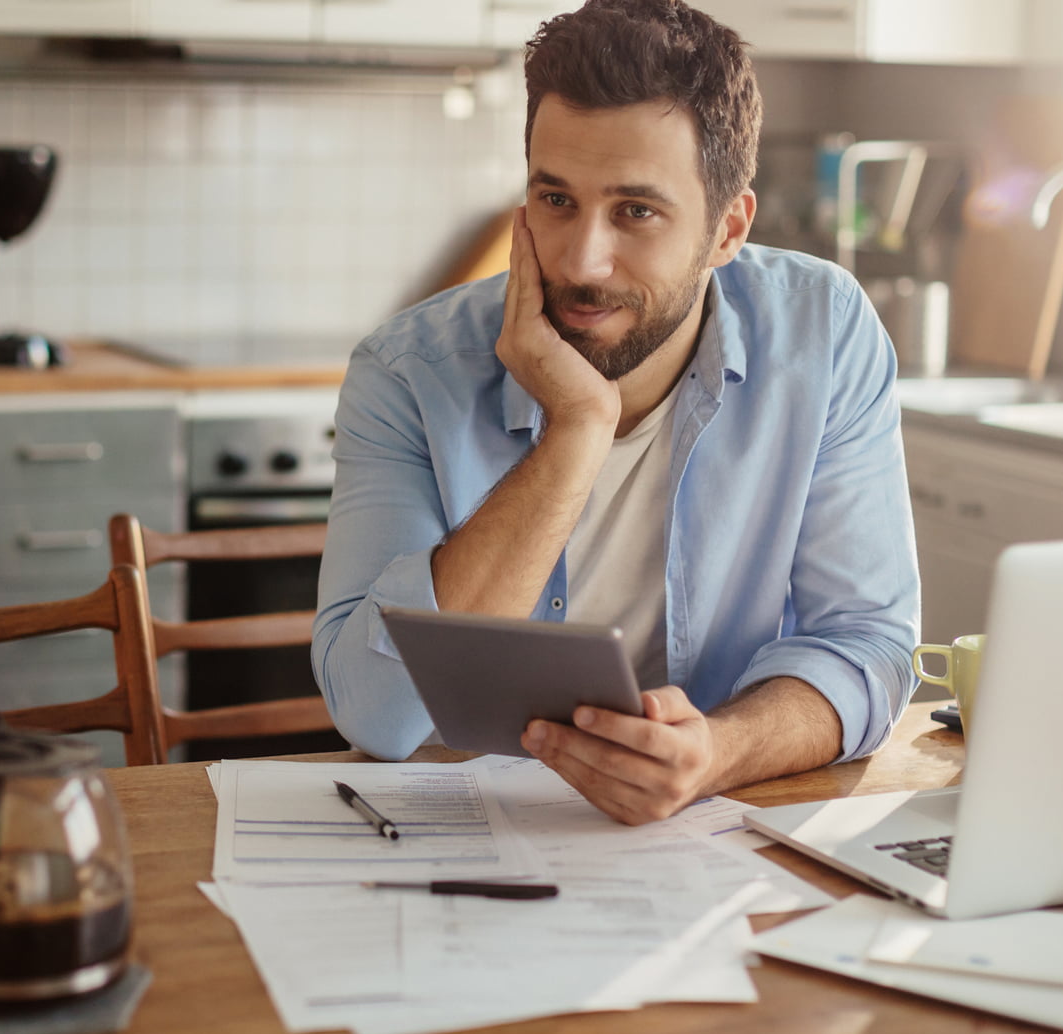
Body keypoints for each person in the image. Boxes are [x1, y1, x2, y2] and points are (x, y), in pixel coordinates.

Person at [312, 0, 920, 825]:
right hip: (461, 836)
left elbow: (869, 643)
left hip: (716, 838)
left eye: (636, 211)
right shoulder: (408, 372)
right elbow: (378, 717)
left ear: (728, 229)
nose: (581, 260)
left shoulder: (823, 332)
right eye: (555, 199)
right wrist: (576, 430)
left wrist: (717, 752)